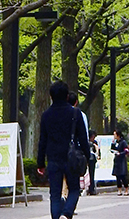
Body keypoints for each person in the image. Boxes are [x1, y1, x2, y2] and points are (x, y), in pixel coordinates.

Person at [37, 80, 90, 219]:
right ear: (67, 96)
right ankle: (66, 214)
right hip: (71, 158)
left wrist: (40, 163)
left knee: (55, 194)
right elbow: (83, 139)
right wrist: (87, 156)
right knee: (74, 189)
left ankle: (56, 217)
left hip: (53, 158)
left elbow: (42, 141)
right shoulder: (75, 113)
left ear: (51, 96)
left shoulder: (46, 115)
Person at [111, 130, 129, 196]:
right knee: (117, 176)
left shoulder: (123, 142)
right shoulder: (116, 142)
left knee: (123, 176)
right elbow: (113, 149)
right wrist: (112, 144)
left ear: (118, 135)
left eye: (115, 134)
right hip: (117, 161)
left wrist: (120, 154)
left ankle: (126, 189)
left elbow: (126, 150)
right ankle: (119, 189)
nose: (114, 136)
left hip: (122, 160)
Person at [87, 130, 100, 195]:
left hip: (92, 160)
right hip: (86, 159)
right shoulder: (86, 141)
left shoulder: (95, 142)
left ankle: (91, 188)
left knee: (92, 174)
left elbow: (97, 151)